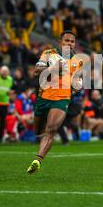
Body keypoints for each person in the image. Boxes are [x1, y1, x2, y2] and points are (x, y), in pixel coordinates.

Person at [27, 30, 83, 174]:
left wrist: (77, 85)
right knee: (38, 130)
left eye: (72, 41)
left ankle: (37, 160)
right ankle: (40, 146)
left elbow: (77, 80)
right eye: (67, 41)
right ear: (60, 42)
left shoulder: (78, 61)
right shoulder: (48, 53)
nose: (70, 44)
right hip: (44, 97)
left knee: (51, 130)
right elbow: (36, 72)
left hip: (62, 99)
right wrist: (53, 68)